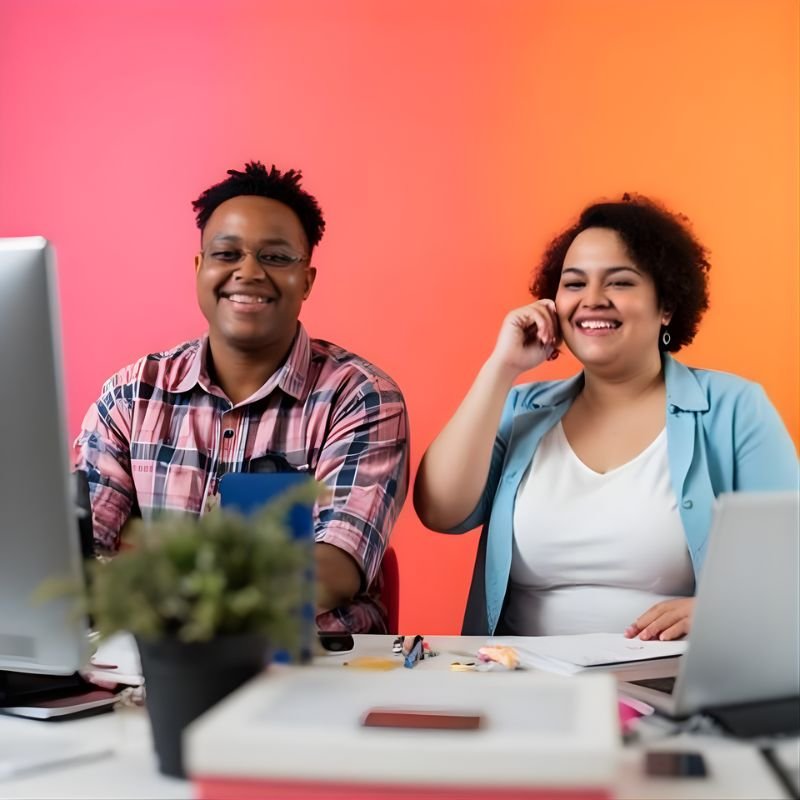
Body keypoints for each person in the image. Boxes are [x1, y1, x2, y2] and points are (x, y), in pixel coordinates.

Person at [414, 194, 798, 639]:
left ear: (666, 305)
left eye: (619, 283)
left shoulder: (734, 408)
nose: (592, 300)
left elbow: (791, 562)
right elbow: (440, 511)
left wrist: (726, 608)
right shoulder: (523, 409)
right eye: (574, 284)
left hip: (670, 691)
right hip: (523, 684)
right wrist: (501, 367)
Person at [73, 161, 409, 634]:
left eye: (274, 257)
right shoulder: (132, 396)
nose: (248, 272)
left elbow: (333, 568)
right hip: (155, 670)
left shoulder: (360, 398)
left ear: (308, 280)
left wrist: (159, 576)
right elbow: (82, 553)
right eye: (227, 254)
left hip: (314, 672)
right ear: (199, 268)